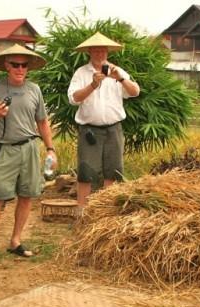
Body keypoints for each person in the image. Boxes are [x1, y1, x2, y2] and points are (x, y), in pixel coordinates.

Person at [0, 44, 57, 262]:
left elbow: (42, 121)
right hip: (3, 148)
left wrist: (50, 149)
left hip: (29, 147)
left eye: (24, 65)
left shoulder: (34, 89)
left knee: (27, 195)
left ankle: (16, 240)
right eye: (15, 65)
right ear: (6, 67)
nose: (20, 69)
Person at [68, 32, 140, 214]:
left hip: (113, 129)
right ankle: (81, 214)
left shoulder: (117, 71)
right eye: (96, 51)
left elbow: (135, 92)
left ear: (107, 52)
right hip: (89, 130)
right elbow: (73, 98)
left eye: (103, 51)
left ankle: (107, 214)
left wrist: (120, 78)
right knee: (86, 172)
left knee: (113, 170)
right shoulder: (81, 73)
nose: (100, 54)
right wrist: (92, 85)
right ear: (89, 52)